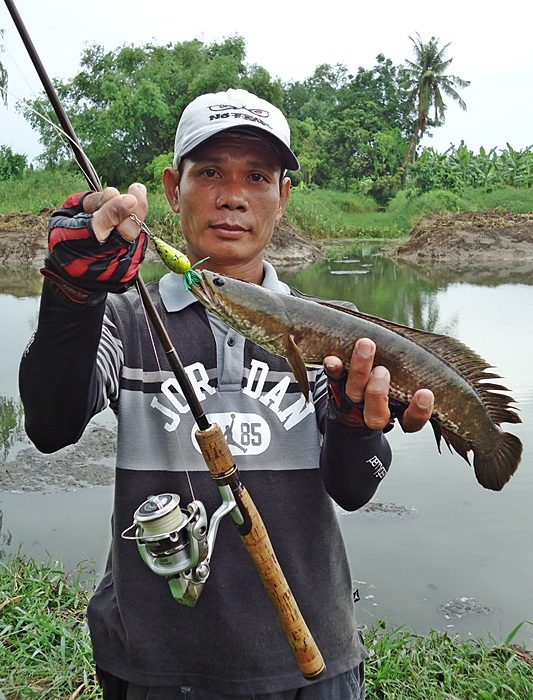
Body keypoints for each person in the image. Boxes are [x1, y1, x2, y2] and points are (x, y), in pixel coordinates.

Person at [19, 88, 434, 699]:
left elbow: (354, 487)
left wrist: (356, 427)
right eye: (209, 171)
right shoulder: (126, 319)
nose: (233, 195)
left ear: (283, 196)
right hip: (154, 665)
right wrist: (71, 297)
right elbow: (50, 427)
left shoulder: (336, 330)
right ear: (172, 186)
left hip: (311, 656)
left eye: (257, 176)